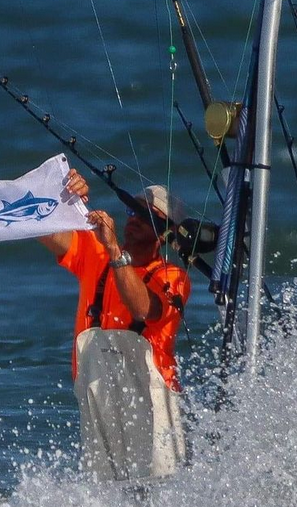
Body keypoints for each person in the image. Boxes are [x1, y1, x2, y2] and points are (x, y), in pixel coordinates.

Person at [39, 169, 191, 482]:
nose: (135, 218)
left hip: (154, 399)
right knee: (106, 491)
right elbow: (45, 229)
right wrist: (64, 197)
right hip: (98, 392)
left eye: (147, 216)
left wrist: (114, 251)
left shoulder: (174, 278)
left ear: (165, 235)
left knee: (161, 491)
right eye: (132, 209)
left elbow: (143, 308)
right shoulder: (93, 254)